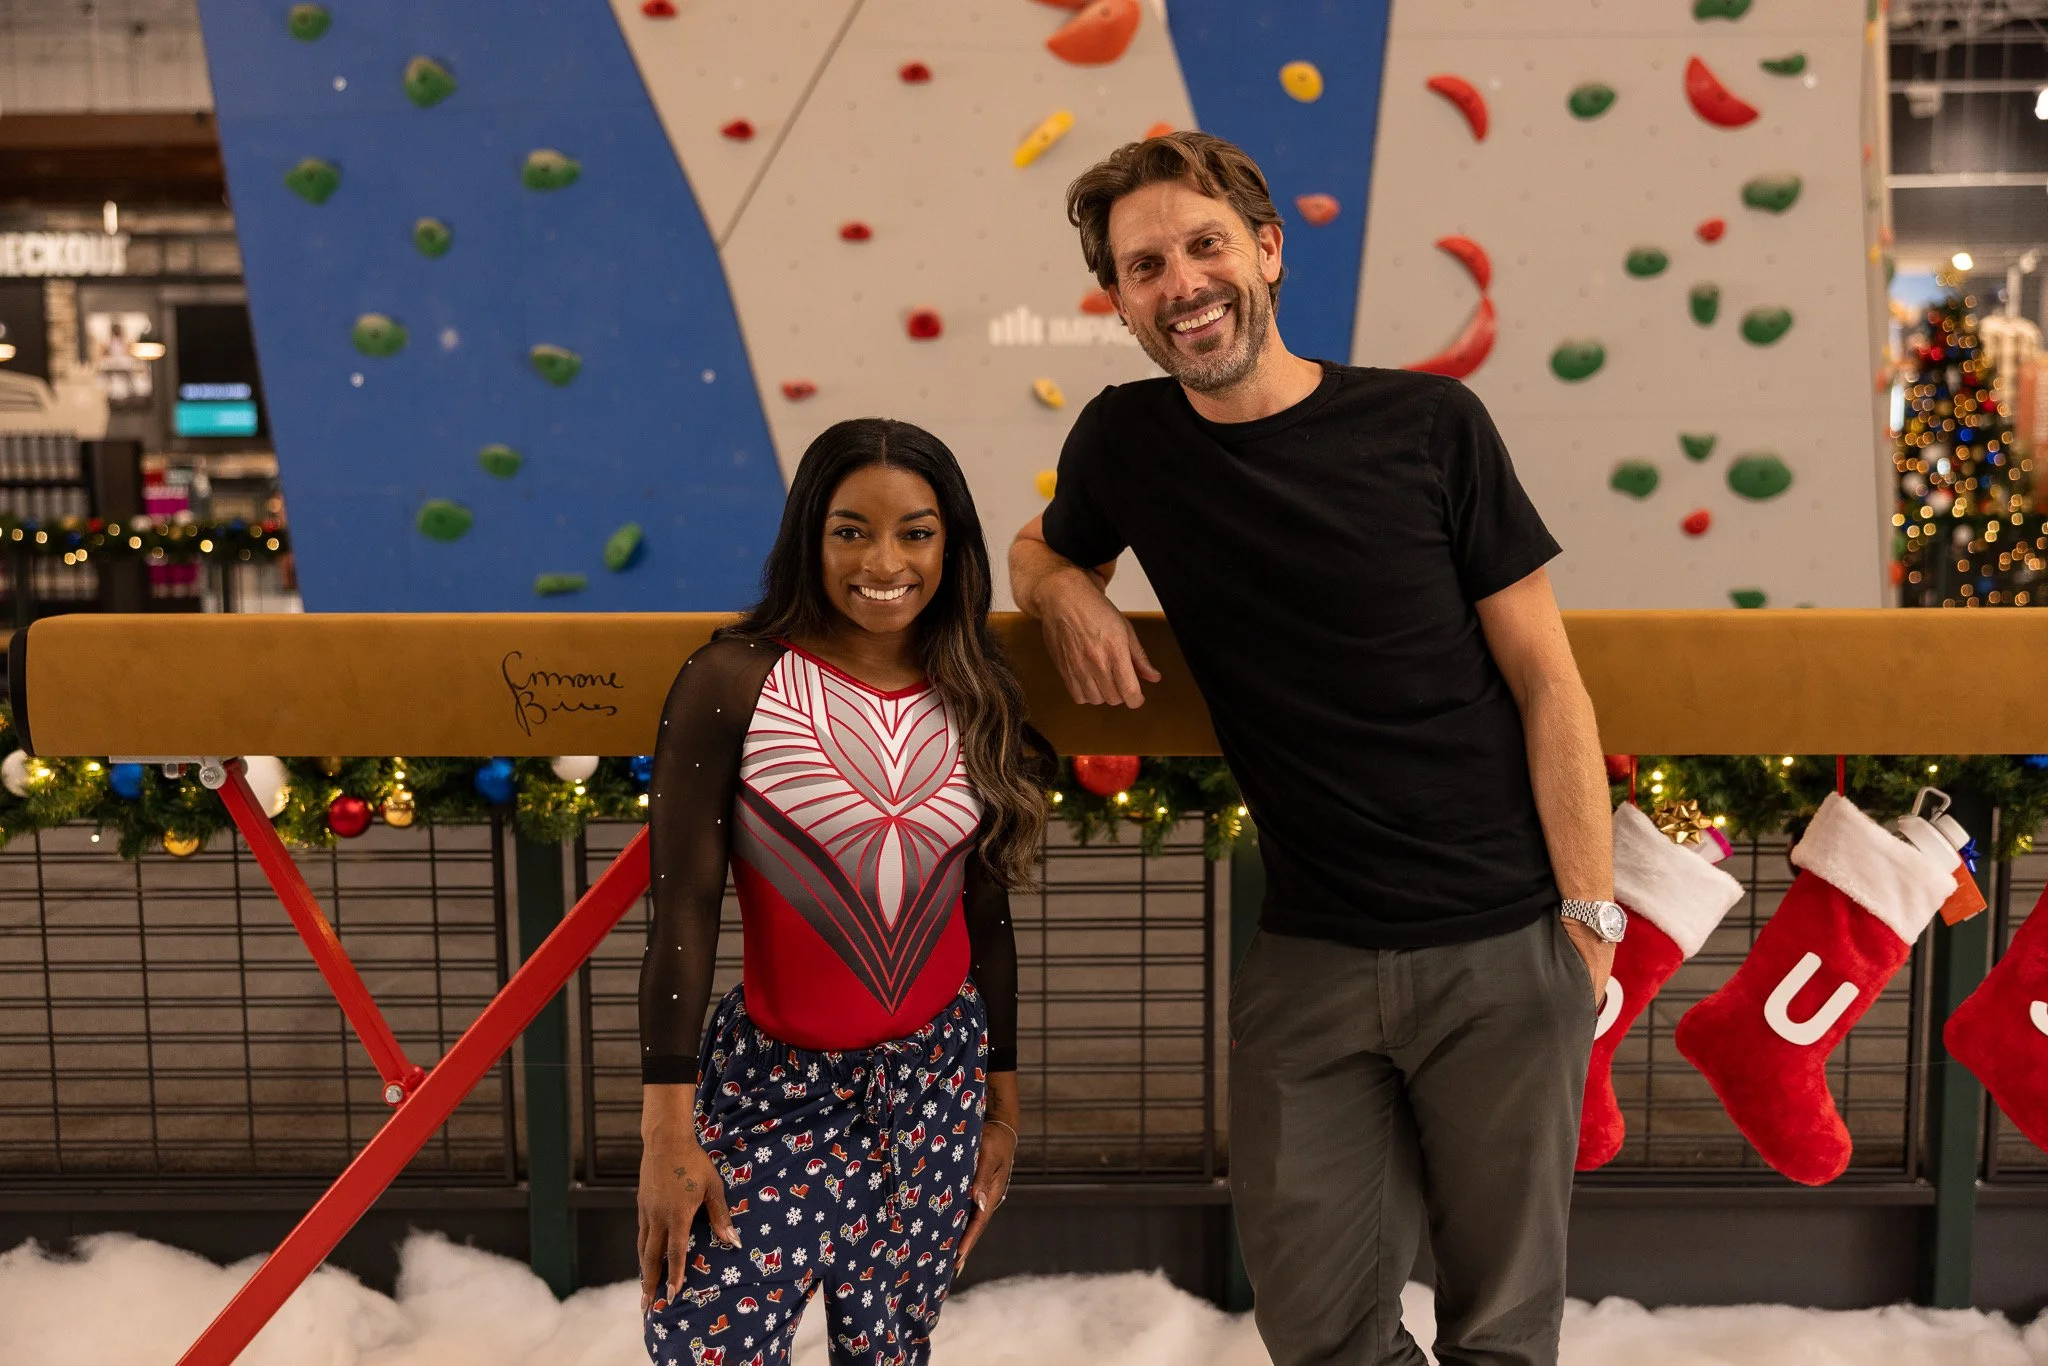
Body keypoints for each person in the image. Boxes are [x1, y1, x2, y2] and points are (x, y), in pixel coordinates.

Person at [1009, 132, 1618, 1366]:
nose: (1179, 282)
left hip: (1500, 943)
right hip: (1310, 961)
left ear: (1266, 252)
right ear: (1118, 299)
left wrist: (1589, 918)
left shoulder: (1429, 423)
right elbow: (1037, 544)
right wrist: (1057, 583)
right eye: (1142, 266)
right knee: (1321, 1329)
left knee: (1503, 1331)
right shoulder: (1127, 444)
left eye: (1202, 244)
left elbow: (1546, 679)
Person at [638, 418, 1043, 1366]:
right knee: (703, 1340)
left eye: (917, 532)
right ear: (810, 537)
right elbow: (685, 912)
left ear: (952, 544)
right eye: (851, 530)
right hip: (776, 1087)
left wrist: (1004, 1108)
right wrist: (666, 1128)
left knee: (891, 1353)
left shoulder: (976, 687)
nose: (885, 561)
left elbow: (985, 916)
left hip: (935, 1084)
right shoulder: (734, 679)